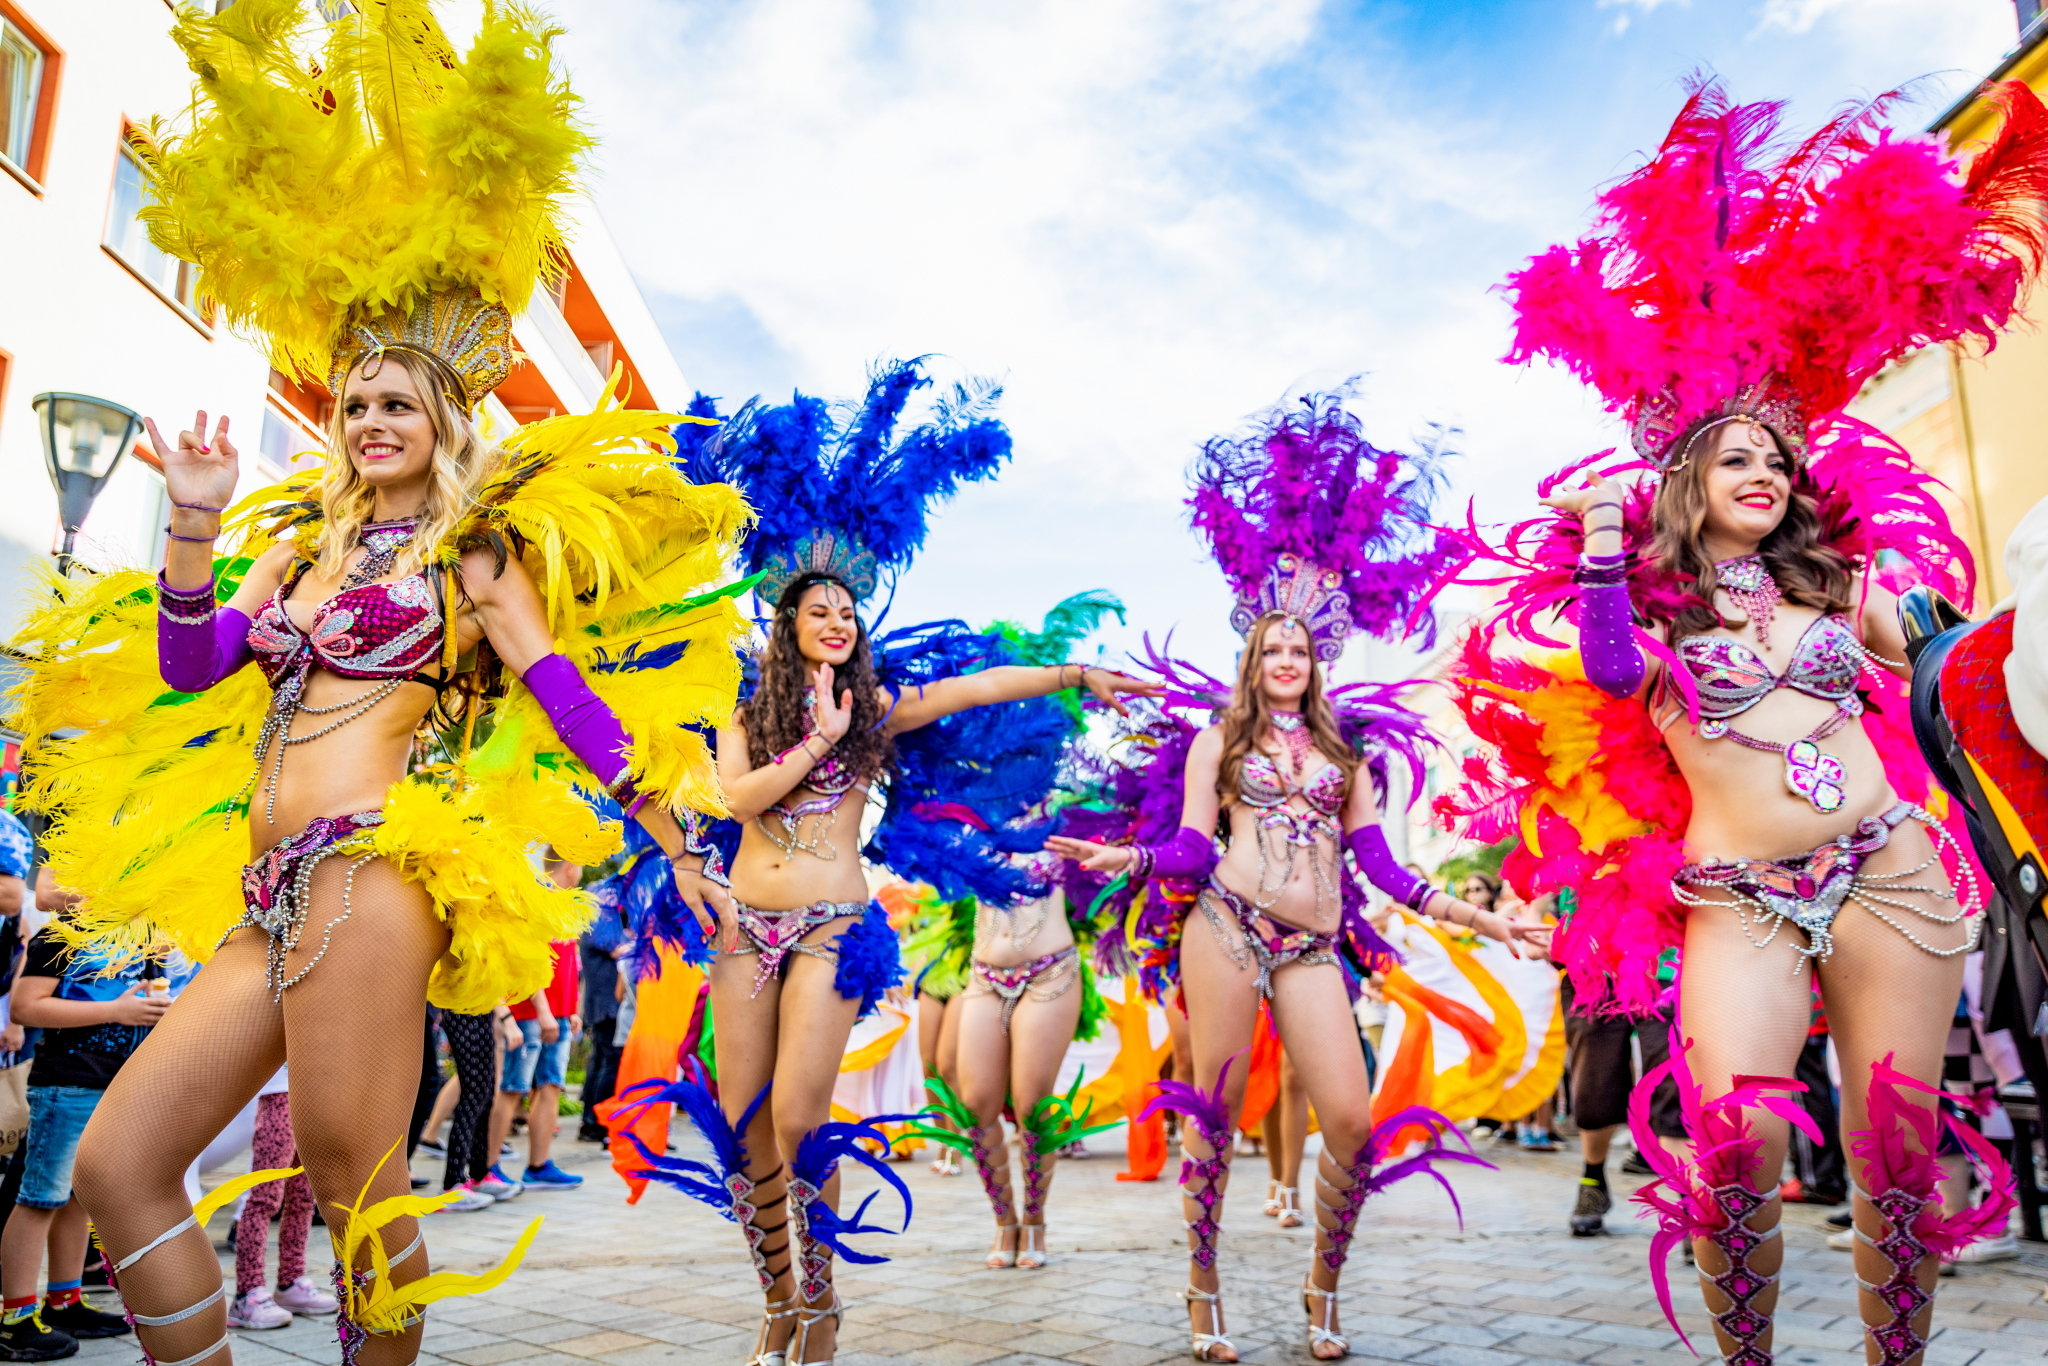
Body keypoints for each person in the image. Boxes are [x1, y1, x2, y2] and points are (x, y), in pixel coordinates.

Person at [6, 10, 752, 1366]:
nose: (370, 422)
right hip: (266, 891)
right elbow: (190, 664)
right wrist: (192, 523)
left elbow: (563, 693)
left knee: (354, 1181)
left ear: (443, 420)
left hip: (369, 869)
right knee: (119, 1164)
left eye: (397, 403)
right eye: (354, 403)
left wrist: (668, 827)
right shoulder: (298, 548)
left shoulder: (471, 558)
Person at [1443, 77, 2048, 1366]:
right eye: (1737, 457)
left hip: (1889, 870)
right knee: (1736, 1154)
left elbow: (1958, 659)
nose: (1765, 472)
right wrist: (1599, 549)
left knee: (1894, 1157)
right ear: (1685, 479)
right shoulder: (1646, 604)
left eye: (1777, 457)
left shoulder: (1837, 583)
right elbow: (1609, 667)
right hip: (1741, 895)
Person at [611, 366, 1159, 1366]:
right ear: (785, 624)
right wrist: (814, 742)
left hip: (831, 928)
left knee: (797, 1116)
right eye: (817, 609)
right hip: (744, 930)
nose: (836, 620)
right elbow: (737, 800)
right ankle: (777, 1298)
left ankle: (821, 1301)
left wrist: (1077, 673)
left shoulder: (874, 712)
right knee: (742, 1128)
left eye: (847, 611)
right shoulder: (742, 710)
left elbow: (977, 685)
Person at [1051, 393, 1532, 1362]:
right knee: (1215, 1113)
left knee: (1349, 1119)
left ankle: (1323, 1283)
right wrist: (1128, 859)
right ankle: (1203, 1287)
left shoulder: (1346, 756)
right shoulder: (1217, 742)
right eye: (1270, 646)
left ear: (1317, 661)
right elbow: (1193, 848)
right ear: (1250, 656)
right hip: (1226, 926)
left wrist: (1485, 922)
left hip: (1313, 945)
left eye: (1298, 648)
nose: (1284, 658)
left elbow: (1383, 869)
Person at [0, 907, 181, 1359]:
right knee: (40, 1198)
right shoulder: (65, 932)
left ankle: (65, 1301)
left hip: (116, 1085)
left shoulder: (145, 933)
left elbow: (149, 998)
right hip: (68, 1084)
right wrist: (116, 1010)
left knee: (77, 1197)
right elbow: (24, 1006)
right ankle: (14, 1318)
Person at [489, 858, 583, 1191]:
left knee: (550, 1086)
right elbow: (525, 957)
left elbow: (567, 963)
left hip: (558, 1014)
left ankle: (539, 1165)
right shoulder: (534, 897)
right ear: (569, 866)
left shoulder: (566, 905)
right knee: (513, 1087)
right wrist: (543, 1011)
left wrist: (570, 1008)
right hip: (529, 1012)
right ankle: (488, 1167)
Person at [228, 1067, 338, 1329]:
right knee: (263, 1197)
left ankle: (291, 1281)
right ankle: (247, 1294)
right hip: (277, 1094)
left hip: (313, 1094)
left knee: (304, 1198)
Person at [576, 882, 630, 1144]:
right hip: (607, 1005)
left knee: (600, 1062)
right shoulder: (597, 925)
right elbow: (623, 950)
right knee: (609, 1063)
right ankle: (597, 1122)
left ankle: (591, 1122)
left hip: (603, 1004)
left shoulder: (598, 925)